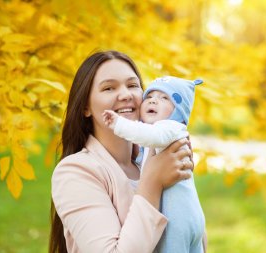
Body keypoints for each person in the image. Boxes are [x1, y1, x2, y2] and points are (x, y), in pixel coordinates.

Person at [49, 50, 195, 253]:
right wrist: (153, 182)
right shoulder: (75, 172)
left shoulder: (157, 159)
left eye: (133, 85)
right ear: (85, 107)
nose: (126, 95)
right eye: (109, 88)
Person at [103, 76, 206, 253]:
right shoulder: (167, 134)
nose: (153, 100)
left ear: (179, 112)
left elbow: (150, 135)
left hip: (177, 220)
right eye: (150, 96)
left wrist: (119, 123)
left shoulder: (171, 127)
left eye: (165, 98)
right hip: (190, 217)